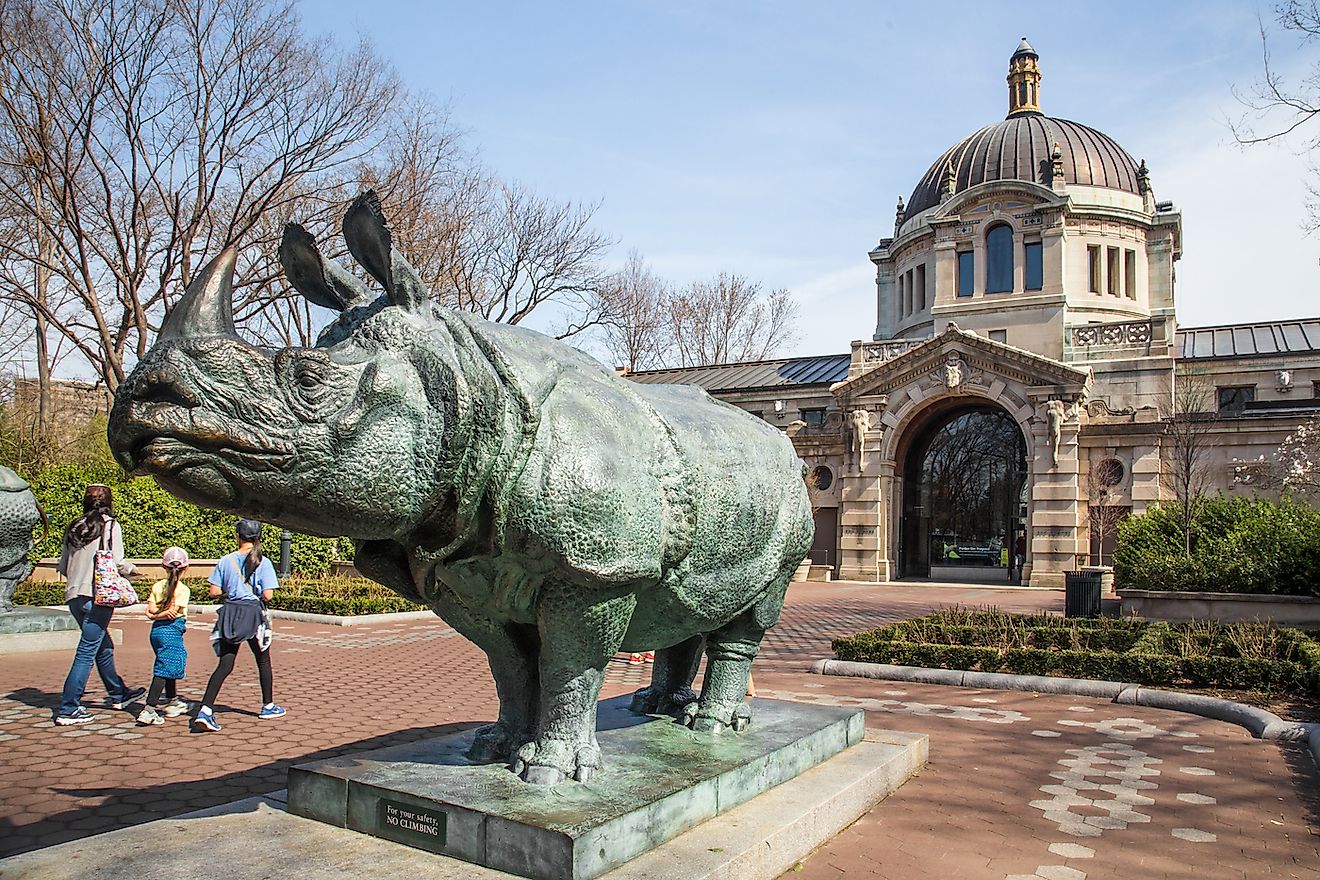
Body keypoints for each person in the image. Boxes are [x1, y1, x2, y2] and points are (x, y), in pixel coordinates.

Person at [54, 485, 143, 725]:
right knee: (86, 651)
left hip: (74, 595)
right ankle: (69, 707)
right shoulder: (110, 525)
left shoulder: (74, 526)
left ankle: (118, 693)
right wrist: (133, 571)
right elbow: (117, 561)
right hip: (98, 596)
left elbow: (63, 566)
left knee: (103, 644)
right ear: (109, 501)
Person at [193, 519, 285, 732]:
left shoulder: (226, 561)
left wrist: (232, 590)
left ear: (238, 536)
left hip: (231, 613)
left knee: (225, 664)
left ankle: (205, 709)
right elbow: (268, 595)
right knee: (263, 660)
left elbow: (214, 591)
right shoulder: (264, 562)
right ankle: (268, 706)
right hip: (253, 614)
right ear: (258, 537)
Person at [137, 547, 192, 725]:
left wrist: (154, 616)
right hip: (171, 631)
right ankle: (149, 709)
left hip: (156, 632)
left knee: (168, 664)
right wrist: (160, 614)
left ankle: (172, 700)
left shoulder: (157, 586)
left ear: (164, 566)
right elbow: (172, 613)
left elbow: (151, 610)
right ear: (186, 567)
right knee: (163, 669)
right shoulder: (183, 590)